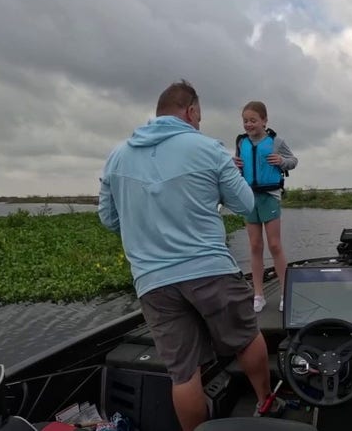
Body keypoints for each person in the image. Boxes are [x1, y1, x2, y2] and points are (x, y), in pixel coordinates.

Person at [98, 80, 283, 431]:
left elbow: (109, 219)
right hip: (209, 269)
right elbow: (244, 203)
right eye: (198, 116)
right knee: (245, 337)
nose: (198, 122)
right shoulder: (207, 148)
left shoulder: (117, 155)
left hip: (152, 283)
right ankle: (264, 402)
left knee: (182, 372)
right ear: (191, 111)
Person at [233, 100, 298, 312]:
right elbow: (237, 166)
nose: (249, 124)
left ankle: (285, 293)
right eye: (245, 121)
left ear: (264, 121)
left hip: (269, 196)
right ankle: (258, 294)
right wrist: (234, 164)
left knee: (275, 245)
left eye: (253, 120)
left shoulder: (276, 141)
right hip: (249, 197)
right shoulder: (241, 142)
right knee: (254, 246)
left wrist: (281, 160)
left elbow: (293, 160)